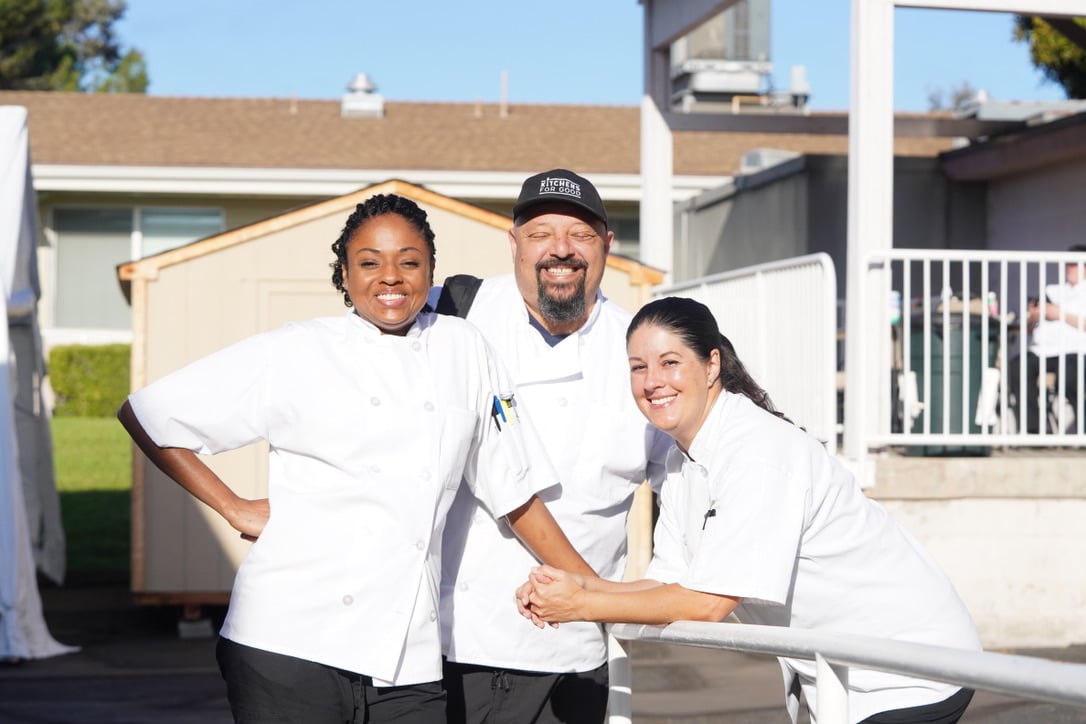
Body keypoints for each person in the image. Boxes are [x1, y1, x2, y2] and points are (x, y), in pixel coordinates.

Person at [116, 194, 592, 724]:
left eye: (409, 262)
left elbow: (515, 491)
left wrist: (596, 594)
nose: (390, 277)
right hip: (286, 645)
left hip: (407, 656)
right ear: (344, 273)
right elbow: (149, 413)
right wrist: (231, 505)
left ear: (430, 270)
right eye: (369, 263)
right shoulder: (297, 350)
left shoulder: (467, 349)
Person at [520, 296, 982, 724]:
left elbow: (709, 603)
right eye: (638, 367)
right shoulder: (683, 457)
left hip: (910, 668)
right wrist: (578, 585)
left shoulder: (757, 451)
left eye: (670, 363)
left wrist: (582, 604)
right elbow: (667, 584)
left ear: (711, 365)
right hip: (840, 671)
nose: (652, 381)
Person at [432, 169, 670, 724]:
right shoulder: (454, 315)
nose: (560, 250)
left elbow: (685, 483)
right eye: (540, 233)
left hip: (574, 651)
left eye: (581, 234)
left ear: (608, 246)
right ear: (513, 244)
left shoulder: (641, 349)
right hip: (451, 641)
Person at [1008, 245, 1086, 434]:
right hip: (1041, 351)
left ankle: (1082, 431)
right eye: (1068, 264)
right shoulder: (1052, 290)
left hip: (1074, 350)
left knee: (1071, 379)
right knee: (1018, 367)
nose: (1069, 268)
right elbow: (1028, 327)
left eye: (1075, 264)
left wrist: (1058, 313)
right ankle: (1034, 430)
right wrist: (1034, 315)